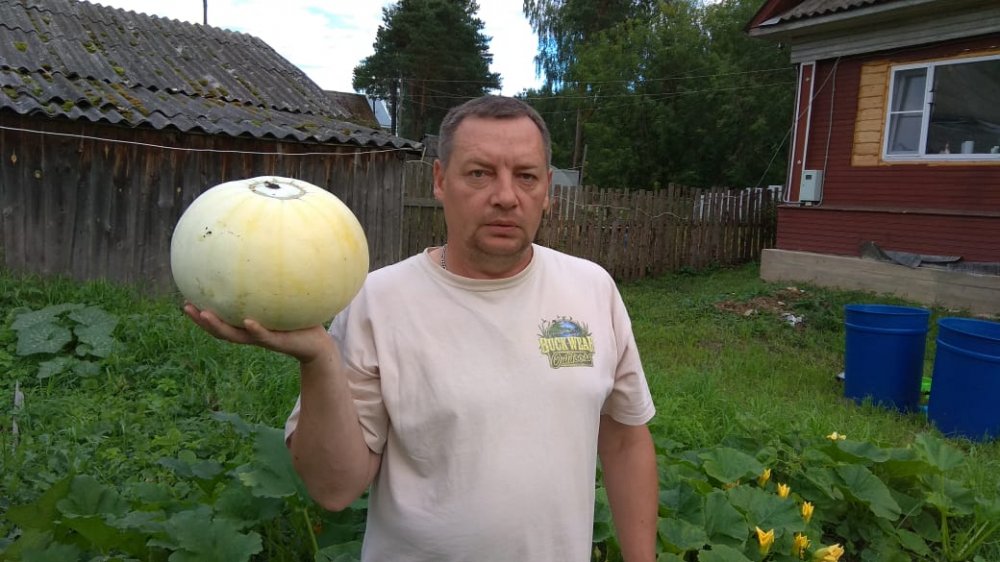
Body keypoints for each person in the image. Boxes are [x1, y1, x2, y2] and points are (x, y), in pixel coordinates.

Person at [184, 95, 658, 561]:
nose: (506, 196)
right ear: (440, 180)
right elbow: (333, 488)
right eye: (480, 173)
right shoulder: (379, 300)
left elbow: (625, 439)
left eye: (526, 176)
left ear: (548, 189)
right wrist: (319, 358)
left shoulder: (591, 288)